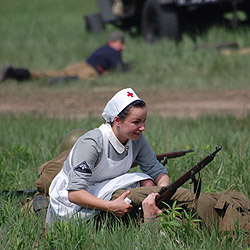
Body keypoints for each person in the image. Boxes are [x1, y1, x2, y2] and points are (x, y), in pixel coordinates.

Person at [46, 88, 170, 225]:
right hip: (71, 202)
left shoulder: (136, 139)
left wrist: (160, 194)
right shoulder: (92, 143)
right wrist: (110, 206)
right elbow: (74, 193)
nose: (143, 127)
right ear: (117, 121)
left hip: (105, 188)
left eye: (144, 121)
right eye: (136, 122)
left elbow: (156, 170)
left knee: (146, 182)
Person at [0, 31, 131, 85]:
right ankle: (57, 81)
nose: (122, 47)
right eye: (121, 43)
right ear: (114, 42)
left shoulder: (103, 48)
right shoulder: (114, 52)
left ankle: (15, 72)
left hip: (81, 64)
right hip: (90, 70)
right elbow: (118, 68)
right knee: (81, 78)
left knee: (49, 72)